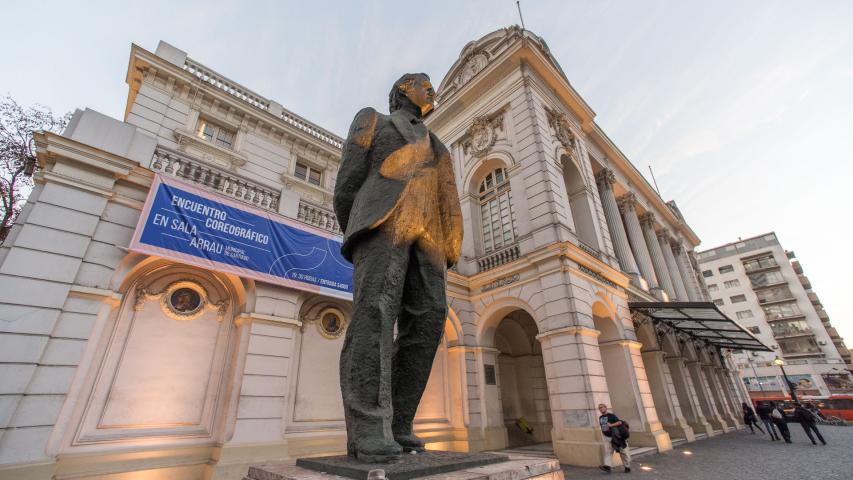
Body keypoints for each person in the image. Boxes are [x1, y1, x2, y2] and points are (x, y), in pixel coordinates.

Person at [334, 73, 463, 463]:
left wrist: (450, 247)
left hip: (432, 237)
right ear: (403, 91)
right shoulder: (373, 119)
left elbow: (449, 200)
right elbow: (347, 184)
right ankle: (370, 427)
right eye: (425, 84)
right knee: (374, 311)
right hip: (383, 221)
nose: (432, 90)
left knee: (430, 318)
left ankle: (400, 423)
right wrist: (362, 227)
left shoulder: (439, 145)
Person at [598, 404, 631, 473]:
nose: (600, 409)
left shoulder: (611, 416)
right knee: (608, 451)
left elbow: (619, 422)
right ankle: (607, 466)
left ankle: (627, 467)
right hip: (606, 437)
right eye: (599, 408)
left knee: (622, 451)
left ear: (605, 408)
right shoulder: (600, 417)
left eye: (601, 407)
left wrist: (611, 425)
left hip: (615, 437)